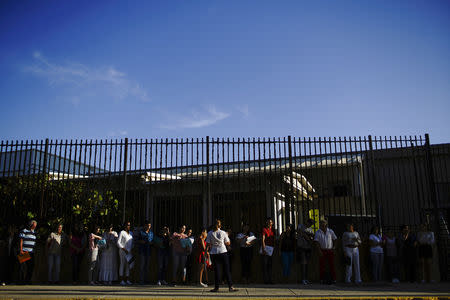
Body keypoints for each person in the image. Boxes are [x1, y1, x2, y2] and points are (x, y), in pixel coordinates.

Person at [206, 219, 238, 292]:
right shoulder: (223, 232)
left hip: (214, 252)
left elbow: (208, 243)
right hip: (223, 251)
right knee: (227, 269)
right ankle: (230, 287)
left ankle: (216, 287)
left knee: (216, 271)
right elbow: (228, 243)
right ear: (220, 225)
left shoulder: (210, 233)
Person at [314, 219, 337, 284]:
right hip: (322, 250)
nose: (322, 226)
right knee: (322, 265)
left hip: (330, 250)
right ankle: (322, 279)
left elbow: (335, 239)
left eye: (323, 225)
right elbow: (316, 242)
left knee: (331, 264)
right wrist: (319, 251)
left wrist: (334, 247)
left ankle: (333, 279)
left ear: (326, 225)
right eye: (321, 225)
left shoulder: (330, 231)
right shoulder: (318, 232)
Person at [19, 220, 37, 284]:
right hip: (24, 251)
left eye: (35, 226)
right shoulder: (24, 231)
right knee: (22, 267)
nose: (35, 226)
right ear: (31, 225)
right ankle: (21, 281)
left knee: (31, 266)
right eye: (34, 225)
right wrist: (21, 250)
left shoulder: (34, 232)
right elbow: (21, 240)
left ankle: (27, 280)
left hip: (31, 252)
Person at [296, 219, 314, 285]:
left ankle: (306, 278)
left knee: (307, 264)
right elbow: (301, 232)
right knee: (303, 263)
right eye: (310, 223)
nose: (310, 225)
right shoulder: (301, 226)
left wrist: (309, 238)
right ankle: (303, 278)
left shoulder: (310, 229)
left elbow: (312, 236)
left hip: (308, 247)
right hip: (302, 247)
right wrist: (308, 237)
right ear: (307, 222)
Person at [117, 221, 133, 285]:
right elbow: (118, 242)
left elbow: (132, 243)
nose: (128, 226)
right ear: (124, 226)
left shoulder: (131, 233)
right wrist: (123, 249)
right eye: (127, 225)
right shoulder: (122, 232)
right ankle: (121, 280)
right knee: (122, 264)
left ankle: (127, 280)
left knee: (128, 265)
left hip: (129, 252)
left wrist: (132, 249)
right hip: (123, 251)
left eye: (129, 225)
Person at [261, 218, 275, 284]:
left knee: (270, 265)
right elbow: (263, 239)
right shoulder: (264, 229)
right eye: (268, 222)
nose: (269, 223)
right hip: (266, 247)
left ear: (272, 223)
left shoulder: (273, 230)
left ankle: (270, 279)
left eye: (270, 222)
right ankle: (265, 280)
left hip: (271, 248)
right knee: (265, 265)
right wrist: (264, 248)